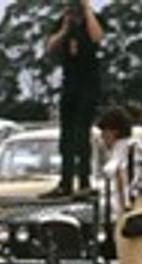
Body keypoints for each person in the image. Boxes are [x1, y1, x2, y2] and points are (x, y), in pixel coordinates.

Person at [46, 0, 103, 197]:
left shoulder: (92, 20)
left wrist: (87, 9)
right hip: (70, 82)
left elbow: (97, 37)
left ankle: (85, 182)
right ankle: (66, 181)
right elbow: (51, 46)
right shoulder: (63, 21)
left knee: (82, 133)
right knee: (66, 136)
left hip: (88, 83)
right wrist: (64, 28)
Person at [97, 106, 142, 264]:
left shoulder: (131, 151)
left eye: (104, 132)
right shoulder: (122, 151)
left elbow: (131, 182)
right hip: (126, 211)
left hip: (134, 211)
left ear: (112, 132)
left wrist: (130, 208)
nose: (103, 138)